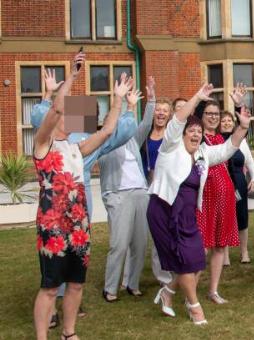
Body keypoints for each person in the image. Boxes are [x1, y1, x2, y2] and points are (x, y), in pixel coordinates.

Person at [31, 52, 137, 328]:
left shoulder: (77, 148)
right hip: (52, 224)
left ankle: (69, 332)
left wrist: (117, 100)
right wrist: (74, 75)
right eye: (68, 114)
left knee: (76, 284)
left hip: (78, 223)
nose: (71, 117)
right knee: (50, 286)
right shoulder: (43, 145)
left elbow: (107, 132)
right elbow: (54, 109)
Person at [148, 83, 250, 325]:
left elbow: (227, 148)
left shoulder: (203, 153)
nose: (195, 135)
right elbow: (177, 121)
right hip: (163, 210)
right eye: (190, 131)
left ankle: (168, 292)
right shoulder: (170, 147)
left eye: (198, 132)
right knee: (184, 261)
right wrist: (198, 97)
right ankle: (195, 307)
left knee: (195, 259)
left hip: (187, 215)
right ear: (182, 133)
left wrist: (243, 125)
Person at [97, 77, 154, 302]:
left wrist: (150, 100)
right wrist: (122, 104)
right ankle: (110, 288)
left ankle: (132, 283)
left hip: (141, 193)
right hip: (118, 195)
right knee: (119, 245)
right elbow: (119, 128)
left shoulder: (132, 139)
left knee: (140, 244)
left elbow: (146, 125)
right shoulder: (102, 143)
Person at [193, 99, 238, 304]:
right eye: (209, 113)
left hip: (224, 196)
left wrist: (237, 108)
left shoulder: (221, 138)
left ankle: (213, 290)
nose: (213, 117)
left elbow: (239, 138)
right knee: (200, 247)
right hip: (205, 197)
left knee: (220, 245)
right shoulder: (196, 138)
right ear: (201, 116)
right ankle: (190, 293)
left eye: (216, 114)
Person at [137, 97, 178, 288]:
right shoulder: (144, 137)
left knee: (173, 232)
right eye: (158, 110)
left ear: (170, 114)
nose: (161, 113)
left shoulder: (172, 136)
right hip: (149, 188)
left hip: (169, 189)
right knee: (156, 235)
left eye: (165, 110)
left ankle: (176, 271)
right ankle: (163, 278)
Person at [218, 105, 254, 264]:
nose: (227, 123)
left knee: (242, 216)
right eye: (223, 121)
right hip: (222, 183)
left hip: (239, 182)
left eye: (229, 120)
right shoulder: (216, 141)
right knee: (225, 218)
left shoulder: (240, 140)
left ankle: (244, 252)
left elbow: (249, 162)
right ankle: (225, 255)